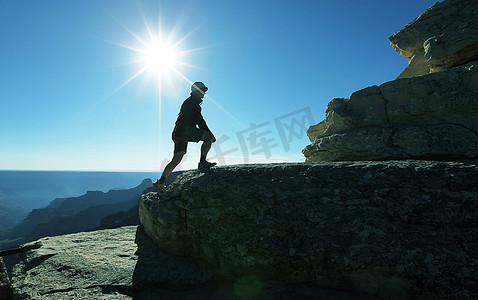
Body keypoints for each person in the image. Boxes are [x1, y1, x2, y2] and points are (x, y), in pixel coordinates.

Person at [153, 81, 217, 192]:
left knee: (176, 159)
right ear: (196, 91)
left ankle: (161, 182)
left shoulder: (191, 102)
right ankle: (202, 162)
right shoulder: (193, 103)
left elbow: (192, 120)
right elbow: (200, 122)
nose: (204, 93)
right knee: (208, 138)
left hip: (178, 133)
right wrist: (210, 134)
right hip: (185, 131)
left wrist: (178, 135)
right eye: (202, 90)